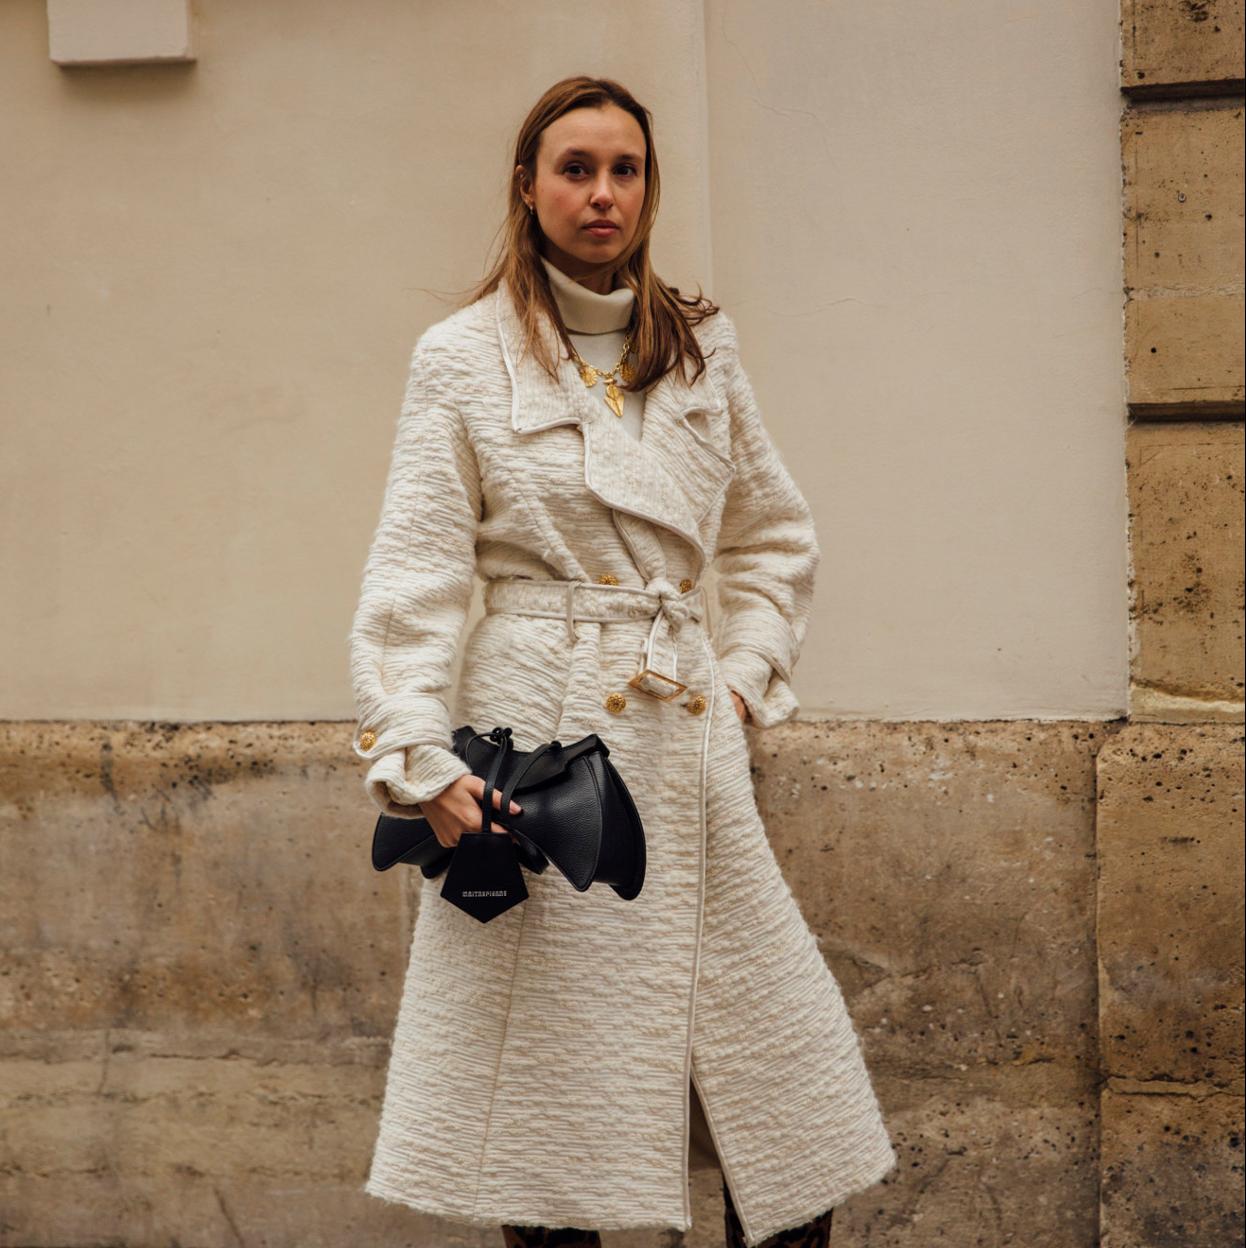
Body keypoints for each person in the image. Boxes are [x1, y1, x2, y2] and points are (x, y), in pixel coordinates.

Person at [349, 75, 896, 1248]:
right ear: (527, 186)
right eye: (576, 168)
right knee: (548, 1108)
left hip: (683, 730)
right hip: (539, 752)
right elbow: (415, 577)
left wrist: (743, 679)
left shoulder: (699, 348)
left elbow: (772, 536)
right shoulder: (462, 358)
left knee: (782, 1089)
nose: (602, 193)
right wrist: (417, 753)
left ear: (647, 189)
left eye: (625, 170)